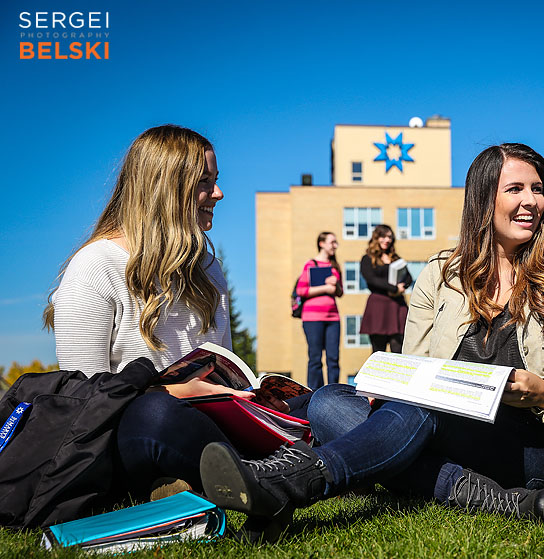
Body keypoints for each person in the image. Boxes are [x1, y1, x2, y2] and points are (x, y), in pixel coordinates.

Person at [199, 143, 544, 525]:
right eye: (515, 189)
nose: (531, 201)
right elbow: (414, 370)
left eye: (538, 189)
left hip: (533, 446)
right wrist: (388, 390)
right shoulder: (441, 273)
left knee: (421, 406)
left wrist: (543, 393)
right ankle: (490, 498)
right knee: (328, 403)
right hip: (450, 433)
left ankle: (293, 480)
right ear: (483, 199)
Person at [45, 125, 298, 502]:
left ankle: (274, 471)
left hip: (210, 422)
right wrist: (176, 392)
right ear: (166, 188)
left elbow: (226, 370)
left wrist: (252, 398)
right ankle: (289, 470)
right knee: (156, 413)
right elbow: (87, 406)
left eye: (216, 180)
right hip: (135, 433)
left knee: (328, 399)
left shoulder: (208, 270)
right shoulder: (95, 266)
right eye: (204, 182)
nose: (218, 193)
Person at [296, 231, 343, 389]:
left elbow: (340, 292)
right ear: (321, 244)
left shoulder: (335, 267)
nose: (335, 245)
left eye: (336, 242)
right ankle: (315, 393)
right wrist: (325, 288)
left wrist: (335, 285)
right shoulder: (310, 265)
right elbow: (301, 290)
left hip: (333, 318)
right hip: (312, 318)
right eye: (332, 242)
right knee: (315, 358)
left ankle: (334, 391)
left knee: (333, 358)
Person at [359, 224, 413, 353]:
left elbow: (408, 277)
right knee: (378, 350)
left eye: (389, 237)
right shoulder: (367, 259)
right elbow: (371, 279)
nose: (387, 240)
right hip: (378, 306)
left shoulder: (396, 258)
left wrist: (402, 287)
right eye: (383, 237)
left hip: (397, 306)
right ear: (376, 238)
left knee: (398, 349)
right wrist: (393, 288)